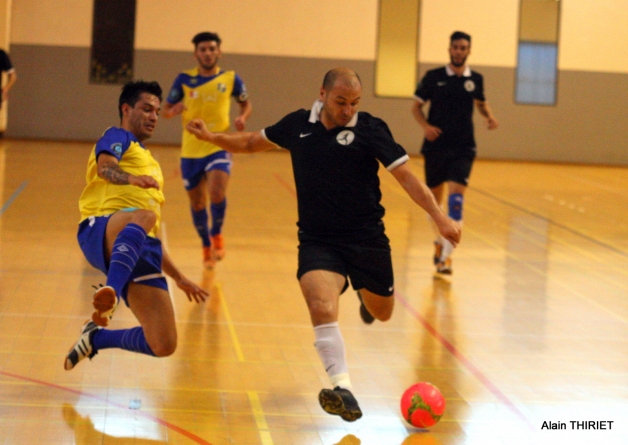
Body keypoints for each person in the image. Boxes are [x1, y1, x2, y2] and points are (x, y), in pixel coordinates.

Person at [186, 68, 461, 422]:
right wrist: (211, 138)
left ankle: (363, 293)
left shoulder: (370, 129)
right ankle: (341, 386)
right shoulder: (298, 125)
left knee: (383, 312)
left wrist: (439, 218)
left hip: (367, 240)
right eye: (341, 101)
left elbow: (406, 177)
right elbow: (253, 142)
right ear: (323, 94)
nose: (348, 110)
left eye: (354, 103)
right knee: (319, 302)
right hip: (318, 240)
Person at [64, 80, 208, 371]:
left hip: (135, 247)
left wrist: (179, 277)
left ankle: (97, 338)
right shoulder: (118, 136)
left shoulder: (151, 162)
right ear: (126, 109)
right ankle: (112, 294)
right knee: (144, 215)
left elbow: (147, 235)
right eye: (146, 109)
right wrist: (130, 179)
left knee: (164, 343)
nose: (154, 116)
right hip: (100, 229)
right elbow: (105, 168)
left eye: (157, 111)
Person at [411, 31, 498, 279]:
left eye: (463, 48)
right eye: (456, 47)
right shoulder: (433, 77)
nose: (459, 51)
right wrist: (425, 127)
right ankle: (439, 241)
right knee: (434, 205)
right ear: (449, 49)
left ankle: (446, 255)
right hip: (437, 146)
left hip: (463, 147)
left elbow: (481, 103)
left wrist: (488, 116)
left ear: (469, 51)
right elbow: (416, 108)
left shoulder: (476, 79)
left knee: (456, 201)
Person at [162, 31, 252, 270]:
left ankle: (217, 235)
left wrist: (242, 117)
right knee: (198, 203)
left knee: (217, 192)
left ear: (219, 52)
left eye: (212, 49)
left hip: (219, 144)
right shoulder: (183, 79)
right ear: (196, 54)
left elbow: (245, 103)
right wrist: (174, 110)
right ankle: (205, 245)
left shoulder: (231, 79)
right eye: (203, 49)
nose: (208, 53)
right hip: (191, 150)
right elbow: (165, 110)